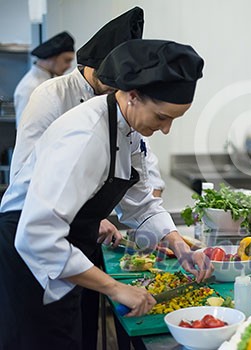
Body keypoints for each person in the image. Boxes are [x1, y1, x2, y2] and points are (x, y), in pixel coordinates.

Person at [0, 38, 211, 349]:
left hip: (68, 252)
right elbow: (37, 235)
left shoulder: (127, 127)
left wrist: (177, 243)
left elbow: (141, 204)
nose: (166, 129)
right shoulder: (85, 136)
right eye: (162, 117)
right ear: (133, 96)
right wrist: (115, 288)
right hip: (31, 262)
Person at [9, 8, 157, 349]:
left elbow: (135, 180)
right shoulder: (51, 95)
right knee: (43, 335)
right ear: (94, 67)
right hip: (33, 233)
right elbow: (26, 175)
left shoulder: (122, 109)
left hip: (80, 235)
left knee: (83, 328)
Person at [14, 31, 75, 127]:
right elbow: (25, 130)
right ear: (51, 57)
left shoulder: (50, 81)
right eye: (66, 60)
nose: (69, 66)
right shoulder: (30, 87)